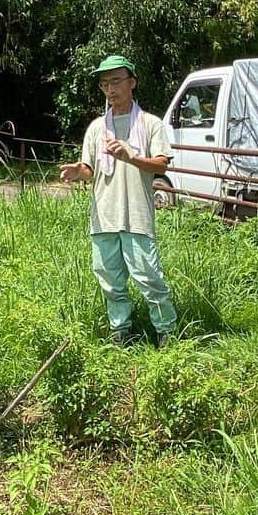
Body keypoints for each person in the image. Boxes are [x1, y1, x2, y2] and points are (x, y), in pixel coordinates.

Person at [59, 55, 178, 348]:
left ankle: (167, 333)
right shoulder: (97, 128)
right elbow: (89, 168)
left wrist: (131, 157)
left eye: (116, 81)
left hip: (136, 215)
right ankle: (121, 333)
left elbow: (161, 166)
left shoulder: (151, 124)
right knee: (110, 281)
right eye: (104, 84)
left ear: (132, 82)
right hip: (104, 216)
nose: (110, 89)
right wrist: (78, 172)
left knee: (149, 278)